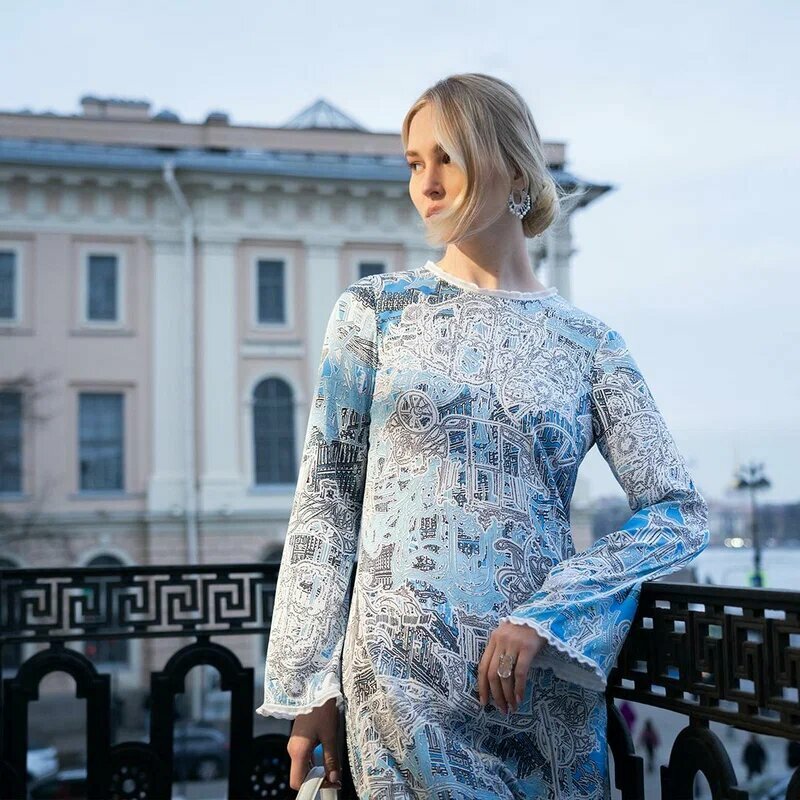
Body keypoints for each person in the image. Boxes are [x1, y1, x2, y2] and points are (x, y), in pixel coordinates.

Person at [255, 72, 710, 799]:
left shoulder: (589, 344)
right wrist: (310, 686)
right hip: (398, 695)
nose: (427, 183)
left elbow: (677, 512)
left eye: (448, 157)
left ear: (514, 169)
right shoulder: (375, 311)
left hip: (540, 694)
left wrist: (554, 614)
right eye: (415, 163)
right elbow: (327, 500)